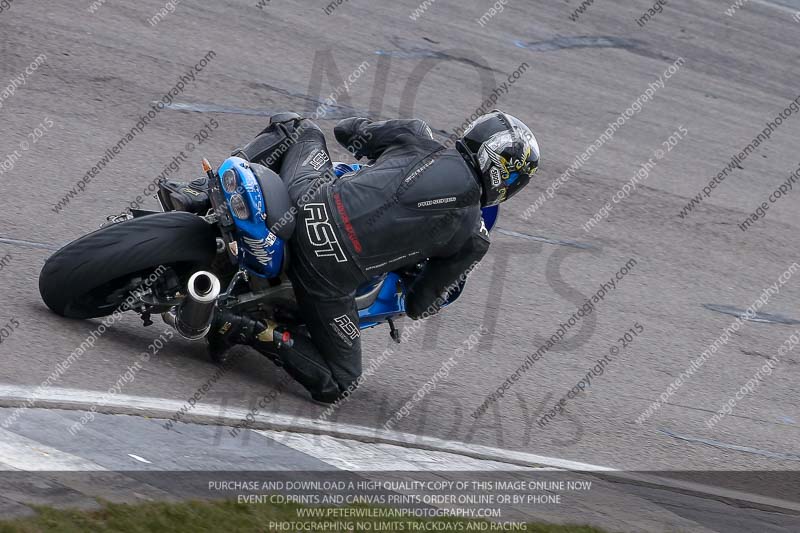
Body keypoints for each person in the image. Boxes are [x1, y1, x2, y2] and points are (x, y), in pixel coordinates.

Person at [211, 110, 540, 404]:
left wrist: (379, 155)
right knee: (341, 381)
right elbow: (417, 305)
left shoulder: (415, 135)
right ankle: (242, 326)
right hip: (326, 275)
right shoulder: (473, 238)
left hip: (304, 204)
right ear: (506, 180)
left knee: (298, 128)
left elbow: (346, 130)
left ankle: (200, 190)